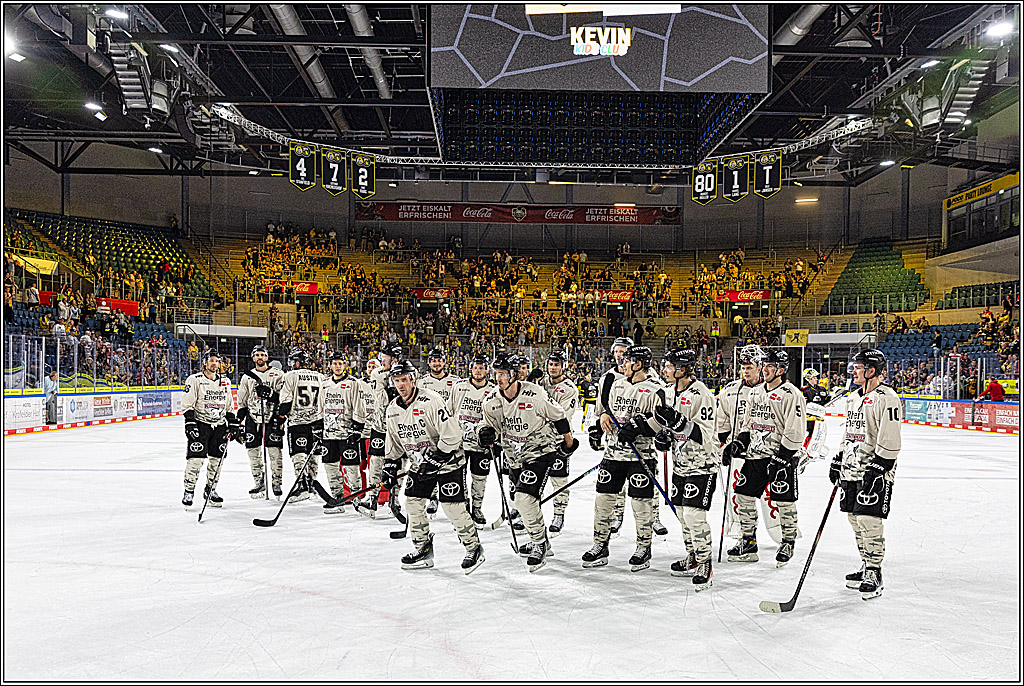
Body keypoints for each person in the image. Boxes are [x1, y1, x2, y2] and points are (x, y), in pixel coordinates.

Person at [382, 360, 485, 574]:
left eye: (404, 380)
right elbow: (394, 441)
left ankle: (473, 548)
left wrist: (438, 457)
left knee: (452, 507)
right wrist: (391, 464)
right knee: (412, 503)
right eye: (397, 380)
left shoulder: (431, 400)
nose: (401, 385)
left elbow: (452, 433)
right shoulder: (392, 409)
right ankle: (423, 549)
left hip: (448, 463)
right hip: (421, 465)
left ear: (413, 379)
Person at [479, 355, 579, 572]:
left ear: (514, 374)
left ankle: (539, 543)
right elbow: (489, 429)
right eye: (496, 373)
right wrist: (486, 436)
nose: (499, 378)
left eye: (503, 374)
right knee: (521, 499)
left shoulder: (535, 393)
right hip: (514, 455)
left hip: (540, 452)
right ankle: (541, 539)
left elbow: (559, 416)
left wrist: (569, 444)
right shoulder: (491, 401)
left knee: (524, 499)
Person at [584, 345, 663, 572]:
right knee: (603, 500)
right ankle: (600, 543)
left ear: (638, 364)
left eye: (627, 360)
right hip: (613, 453)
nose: (622, 363)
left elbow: (661, 421)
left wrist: (641, 427)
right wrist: (603, 417)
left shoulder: (655, 389)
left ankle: (643, 547)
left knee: (641, 503)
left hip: (641, 456)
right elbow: (605, 409)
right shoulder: (616, 384)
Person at [724, 349, 806, 566]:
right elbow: (748, 423)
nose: (766, 369)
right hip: (755, 456)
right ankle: (748, 541)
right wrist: (740, 442)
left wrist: (785, 456)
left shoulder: (792, 394)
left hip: (780, 457)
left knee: (784, 501)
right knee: (742, 496)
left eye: (771, 365)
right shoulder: (756, 392)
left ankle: (788, 541)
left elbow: (795, 430)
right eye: (765, 365)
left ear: (781, 369)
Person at [831, 349, 901, 600]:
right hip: (852, 466)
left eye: (859, 367)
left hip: (874, 470)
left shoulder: (887, 398)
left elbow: (890, 434)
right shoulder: (853, 398)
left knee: (868, 519)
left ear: (872, 371)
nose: (854, 371)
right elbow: (850, 431)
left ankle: (874, 570)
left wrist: (881, 465)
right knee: (853, 517)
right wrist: (839, 457)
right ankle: (865, 563)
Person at [652, 348, 719, 590]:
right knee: (681, 513)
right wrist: (663, 437)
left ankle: (705, 563)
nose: (665, 371)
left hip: (702, 463)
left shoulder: (702, 394)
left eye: (669, 367)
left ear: (682, 369)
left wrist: (679, 423)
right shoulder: (668, 393)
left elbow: (706, 434)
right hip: (681, 464)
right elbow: (667, 427)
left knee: (694, 514)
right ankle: (692, 554)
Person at [180, 351, 236, 508]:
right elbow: (188, 403)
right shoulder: (195, 380)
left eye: (217, 361)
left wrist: (232, 423)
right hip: (201, 424)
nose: (214, 364)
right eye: (211, 360)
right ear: (204, 363)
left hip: (219, 426)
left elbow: (229, 405)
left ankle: (211, 490)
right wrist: (190, 422)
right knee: (195, 460)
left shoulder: (225, 382)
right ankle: (189, 491)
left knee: (217, 461)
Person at [448, 354, 497, 526]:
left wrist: (495, 439)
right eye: (475, 367)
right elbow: (449, 412)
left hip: (481, 444)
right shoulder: (459, 386)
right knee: (459, 476)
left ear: (487, 370)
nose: (478, 371)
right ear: (471, 368)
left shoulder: (493, 390)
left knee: (479, 478)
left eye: (481, 368)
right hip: (460, 442)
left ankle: (477, 507)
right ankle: (464, 508)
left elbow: (497, 417)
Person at [355, 343, 402, 518]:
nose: (382, 360)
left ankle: (394, 498)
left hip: (399, 427)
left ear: (395, 358)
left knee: (400, 463)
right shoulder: (377, 373)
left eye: (386, 357)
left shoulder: (408, 372)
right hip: (380, 425)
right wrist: (391, 388)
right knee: (376, 462)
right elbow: (382, 399)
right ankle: (373, 497)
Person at [318, 350, 367, 513]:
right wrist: (318, 428)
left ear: (345, 365)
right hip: (329, 434)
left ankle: (357, 499)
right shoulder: (324, 384)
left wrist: (357, 427)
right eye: (334, 363)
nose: (337, 366)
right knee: (330, 467)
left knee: (352, 468)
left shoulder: (354, 383)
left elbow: (359, 406)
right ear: (330, 365)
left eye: (340, 363)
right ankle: (337, 499)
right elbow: (320, 407)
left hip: (347, 434)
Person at [235, 345, 285, 499]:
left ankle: (277, 482)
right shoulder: (247, 377)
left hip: (272, 418)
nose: (260, 357)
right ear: (253, 358)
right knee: (253, 452)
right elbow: (242, 401)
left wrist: (271, 395)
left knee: (274, 452)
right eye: (257, 355)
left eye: (263, 354)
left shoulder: (278, 374)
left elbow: (284, 398)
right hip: (252, 418)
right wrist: (238, 421)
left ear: (267, 357)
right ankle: (259, 481)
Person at [276, 348, 326, 503]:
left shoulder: (290, 376)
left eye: (293, 361)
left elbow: (286, 401)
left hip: (298, 422)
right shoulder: (320, 376)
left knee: (299, 453)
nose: (291, 364)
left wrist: (281, 417)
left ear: (298, 362)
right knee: (314, 453)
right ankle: (311, 484)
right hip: (318, 421)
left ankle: (302, 484)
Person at [538, 350, 579, 535]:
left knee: (559, 480)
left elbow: (560, 415)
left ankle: (559, 514)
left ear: (563, 366)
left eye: (557, 364)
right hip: (537, 440)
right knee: (535, 479)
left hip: (557, 439)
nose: (553, 368)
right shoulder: (541, 383)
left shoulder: (569, 388)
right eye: (551, 364)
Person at [416, 348, 459, 515]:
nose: (436, 363)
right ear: (429, 362)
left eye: (439, 360)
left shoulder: (455, 382)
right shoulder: (422, 382)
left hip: (448, 430)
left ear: (444, 362)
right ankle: (433, 497)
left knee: (452, 465)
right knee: (430, 463)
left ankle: (455, 498)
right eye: (433, 360)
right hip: (428, 431)